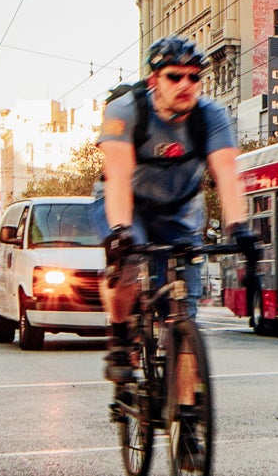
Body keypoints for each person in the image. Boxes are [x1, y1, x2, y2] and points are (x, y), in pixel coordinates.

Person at [99, 37, 246, 384]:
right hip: (128, 203)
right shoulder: (125, 110)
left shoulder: (212, 116)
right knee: (126, 264)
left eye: (194, 78)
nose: (186, 85)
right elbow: (118, 175)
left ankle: (186, 419)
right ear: (154, 81)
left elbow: (226, 173)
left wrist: (240, 227)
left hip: (180, 211)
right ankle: (120, 335)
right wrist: (121, 233)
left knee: (183, 315)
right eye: (174, 77)